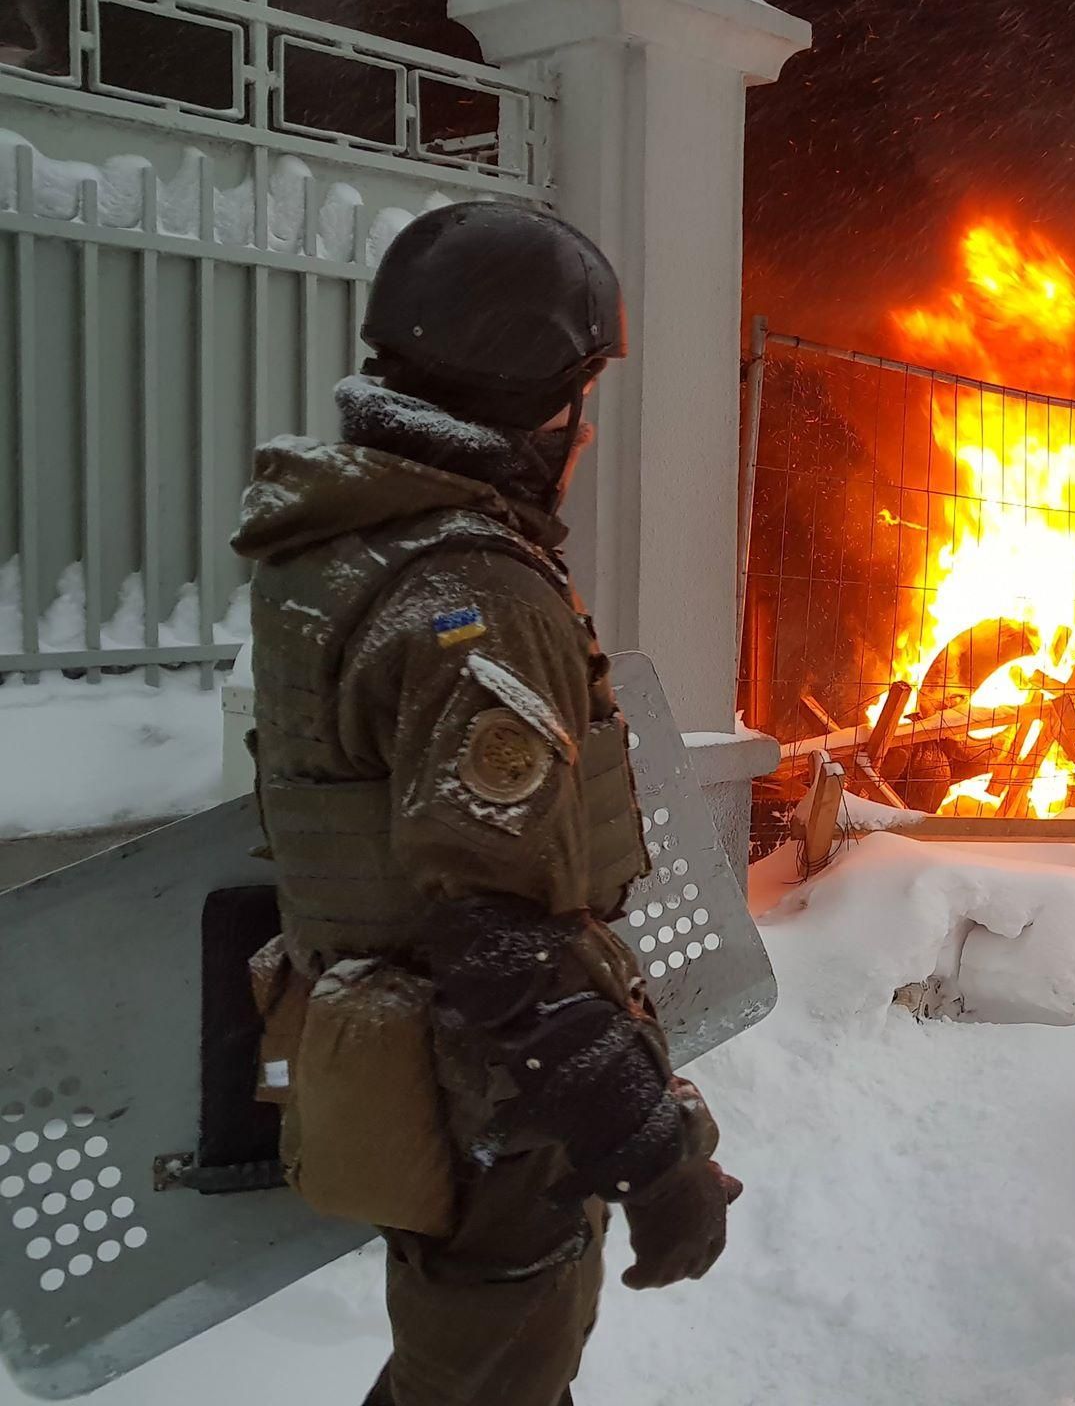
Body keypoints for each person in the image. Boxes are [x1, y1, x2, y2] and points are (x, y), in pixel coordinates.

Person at [231, 202, 739, 1406]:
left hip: (395, 1053)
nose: (587, 428)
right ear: (532, 400)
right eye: (582, 394)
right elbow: (494, 934)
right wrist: (645, 1148)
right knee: (485, 1380)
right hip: (486, 1093)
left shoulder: (340, 547)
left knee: (457, 1375)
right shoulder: (469, 598)